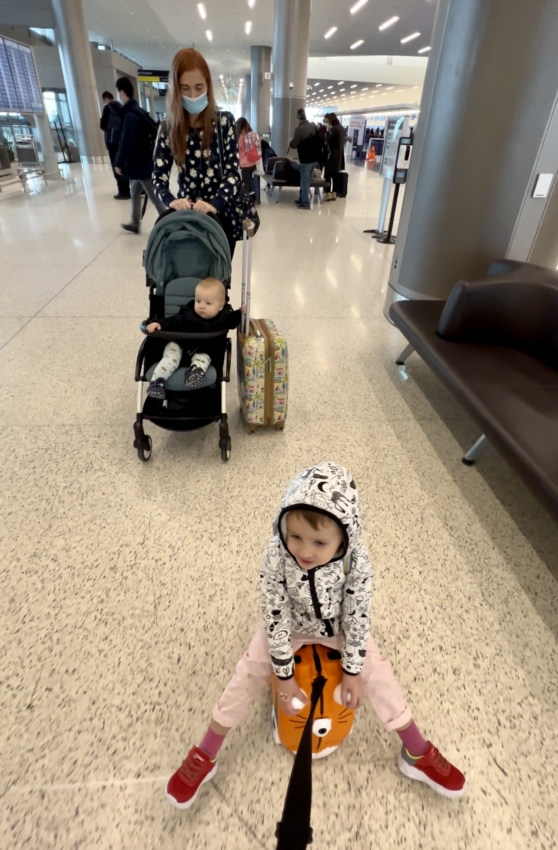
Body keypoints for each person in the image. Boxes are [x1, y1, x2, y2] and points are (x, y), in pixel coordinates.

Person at [164, 462, 467, 810]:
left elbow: (357, 613)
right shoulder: (277, 554)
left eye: (320, 542)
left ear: (344, 539)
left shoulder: (356, 561)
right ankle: (206, 752)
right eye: (296, 537)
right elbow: (274, 613)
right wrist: (284, 674)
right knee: (247, 671)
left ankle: (416, 751)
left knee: (379, 671)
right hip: (289, 627)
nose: (305, 552)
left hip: (337, 628)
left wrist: (353, 670)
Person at [153, 48, 253, 260]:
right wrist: (171, 200)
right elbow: (158, 177)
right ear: (176, 90)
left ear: (208, 85)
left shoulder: (224, 122)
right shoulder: (169, 128)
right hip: (187, 214)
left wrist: (214, 203)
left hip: (221, 213)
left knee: (217, 284)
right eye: (185, 89)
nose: (193, 95)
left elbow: (233, 174)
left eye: (199, 88)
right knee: (187, 275)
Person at [145, 278, 242, 398]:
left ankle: (195, 373)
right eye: (198, 301)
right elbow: (173, 321)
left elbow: (232, 321)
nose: (201, 306)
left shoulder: (221, 319)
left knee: (203, 357)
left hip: (202, 348)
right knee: (171, 354)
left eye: (208, 303)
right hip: (180, 344)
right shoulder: (187, 313)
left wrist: (240, 313)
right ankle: (157, 382)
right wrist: (159, 324)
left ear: (220, 306)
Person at [114, 77, 166, 234]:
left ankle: (167, 221)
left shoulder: (130, 115)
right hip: (143, 160)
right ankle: (135, 223)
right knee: (134, 191)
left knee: (152, 194)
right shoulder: (139, 110)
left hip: (140, 163)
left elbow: (126, 141)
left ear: (122, 92)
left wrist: (118, 162)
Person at [99, 91, 129, 200]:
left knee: (115, 165)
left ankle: (123, 191)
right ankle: (128, 188)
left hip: (112, 142)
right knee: (123, 164)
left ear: (106, 98)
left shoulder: (107, 108)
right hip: (122, 141)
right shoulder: (121, 107)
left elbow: (102, 126)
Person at [289, 108, 321, 210]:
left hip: (305, 159)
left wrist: (291, 141)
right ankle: (301, 199)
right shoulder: (313, 125)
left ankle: (305, 203)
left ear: (298, 118)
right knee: (306, 181)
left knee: (304, 181)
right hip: (314, 159)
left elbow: (294, 144)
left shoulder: (299, 129)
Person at [236, 116, 261, 201]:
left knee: (245, 182)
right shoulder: (253, 134)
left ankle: (245, 199)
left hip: (245, 164)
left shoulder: (241, 136)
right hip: (254, 162)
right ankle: (257, 199)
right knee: (254, 181)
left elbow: (239, 149)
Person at [323, 112, 345, 202]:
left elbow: (328, 141)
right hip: (339, 155)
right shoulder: (341, 128)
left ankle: (328, 194)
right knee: (335, 176)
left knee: (327, 174)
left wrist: (327, 133)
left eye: (327, 120)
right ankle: (334, 194)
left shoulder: (334, 129)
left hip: (332, 156)